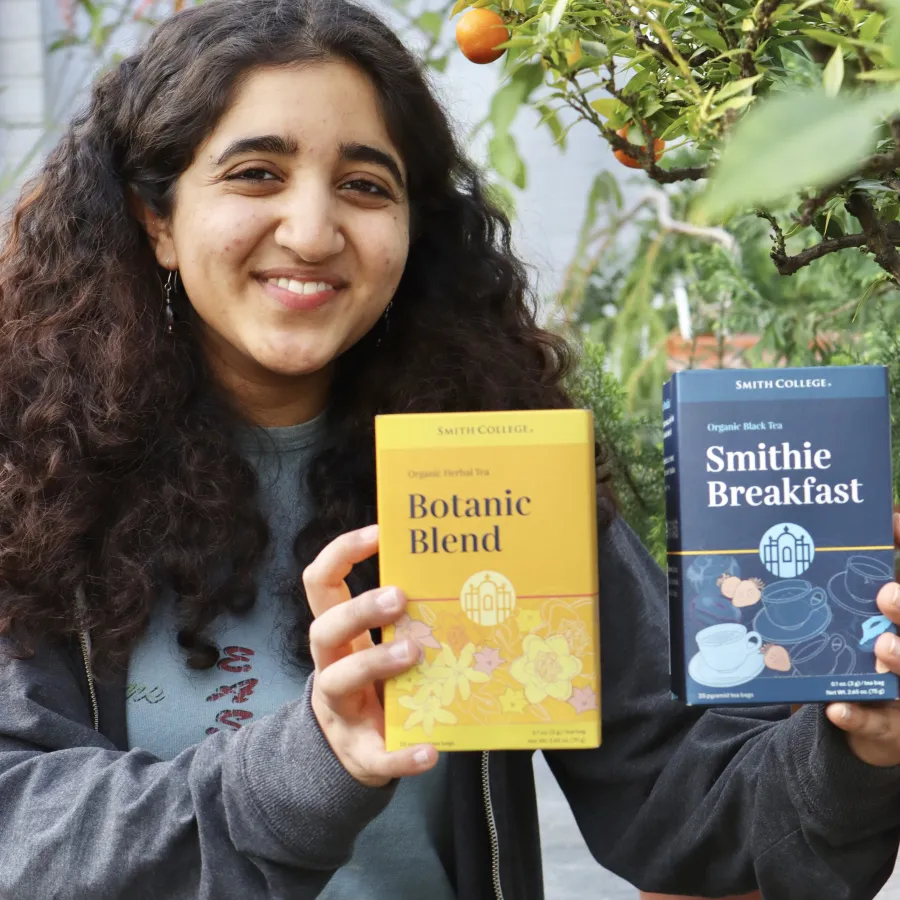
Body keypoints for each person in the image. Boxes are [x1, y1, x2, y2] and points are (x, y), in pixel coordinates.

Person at [1, 2, 900, 898]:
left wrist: (855, 743)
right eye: (256, 174)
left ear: (412, 229)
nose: (313, 232)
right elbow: (24, 828)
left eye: (365, 185)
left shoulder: (493, 459)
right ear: (155, 220)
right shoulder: (31, 474)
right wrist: (308, 764)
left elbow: (681, 801)